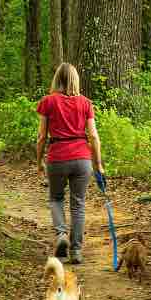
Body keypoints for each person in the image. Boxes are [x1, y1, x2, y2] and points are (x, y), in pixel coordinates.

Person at [36, 63, 104, 264]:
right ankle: (76, 250)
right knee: (78, 204)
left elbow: (41, 136)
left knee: (56, 198)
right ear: (75, 79)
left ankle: (61, 235)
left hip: (57, 157)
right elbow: (93, 135)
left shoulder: (47, 102)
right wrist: (98, 163)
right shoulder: (85, 103)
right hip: (82, 159)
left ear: (57, 79)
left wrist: (39, 160)